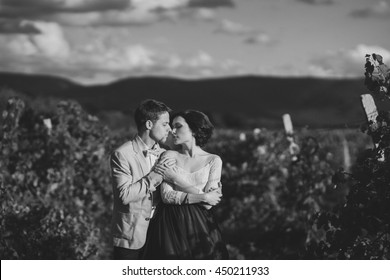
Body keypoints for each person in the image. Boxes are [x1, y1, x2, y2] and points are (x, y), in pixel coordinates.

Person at [110, 99, 222, 259]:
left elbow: (210, 200)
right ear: (149, 125)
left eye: (174, 125)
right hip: (132, 235)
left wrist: (205, 194)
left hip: (165, 231)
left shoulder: (165, 152)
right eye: (165, 124)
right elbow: (124, 196)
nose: (169, 129)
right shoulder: (123, 154)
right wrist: (156, 175)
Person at [143, 110, 229, 259]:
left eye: (178, 126)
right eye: (171, 126)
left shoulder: (214, 160)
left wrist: (176, 178)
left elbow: (209, 204)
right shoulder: (169, 156)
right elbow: (167, 196)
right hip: (170, 224)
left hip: (200, 225)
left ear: (194, 130)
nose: (172, 130)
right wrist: (204, 196)